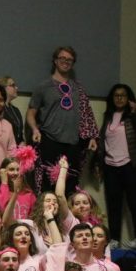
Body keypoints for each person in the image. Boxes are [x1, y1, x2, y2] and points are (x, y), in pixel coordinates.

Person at [26, 46, 99, 194]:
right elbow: (31, 112)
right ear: (55, 60)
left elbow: (86, 114)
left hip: (73, 144)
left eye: (69, 59)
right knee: (48, 185)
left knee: (71, 184)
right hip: (49, 141)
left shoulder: (78, 88)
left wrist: (92, 137)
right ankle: (46, 215)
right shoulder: (43, 86)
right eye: (62, 58)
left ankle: (68, 217)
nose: (65, 62)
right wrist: (34, 129)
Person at [98, 84, 136, 249]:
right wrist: (98, 162)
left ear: (129, 99)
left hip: (131, 165)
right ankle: (114, 239)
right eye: (116, 95)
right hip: (111, 166)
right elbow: (103, 141)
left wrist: (134, 112)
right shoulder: (108, 116)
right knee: (114, 204)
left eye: (123, 95)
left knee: (134, 202)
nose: (119, 98)